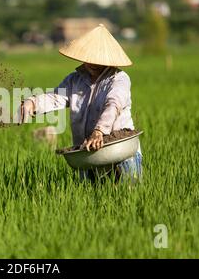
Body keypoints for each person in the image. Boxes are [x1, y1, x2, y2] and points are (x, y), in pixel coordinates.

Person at [18, 24, 142, 183]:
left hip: (120, 154)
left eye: (97, 58)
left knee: (126, 200)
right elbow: (55, 98)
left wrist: (99, 131)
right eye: (88, 57)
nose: (91, 63)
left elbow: (113, 104)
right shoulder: (74, 80)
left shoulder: (119, 79)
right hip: (87, 156)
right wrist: (31, 103)